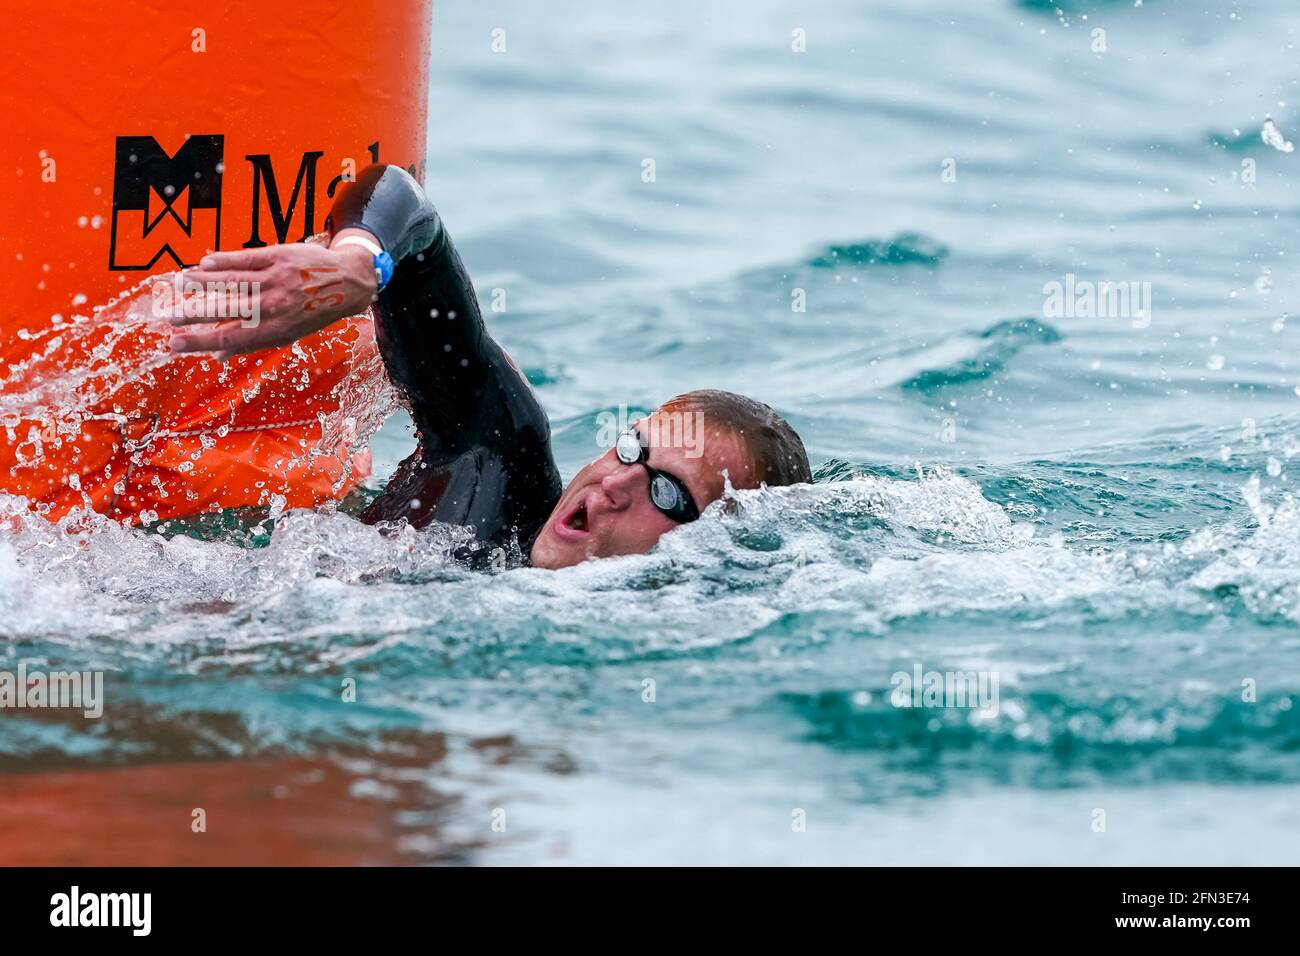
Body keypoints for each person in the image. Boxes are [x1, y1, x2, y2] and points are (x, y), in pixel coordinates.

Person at [169, 165, 810, 569]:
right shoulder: (498, 456)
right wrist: (359, 263)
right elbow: (404, 204)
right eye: (630, 448)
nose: (616, 484)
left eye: (668, 494)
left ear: (712, 551)